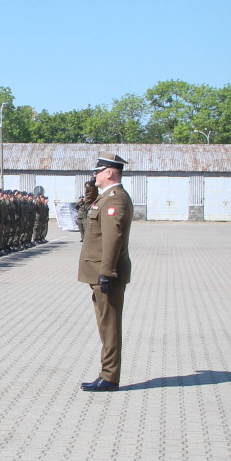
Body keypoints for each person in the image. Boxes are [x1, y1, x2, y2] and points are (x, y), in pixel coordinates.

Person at [78, 152, 133, 392]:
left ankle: (109, 376)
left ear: (109, 172)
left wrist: (107, 272)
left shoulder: (115, 199)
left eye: (98, 171)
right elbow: (90, 208)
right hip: (101, 271)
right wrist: (91, 187)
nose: (94, 174)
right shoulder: (107, 197)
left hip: (106, 273)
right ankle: (107, 372)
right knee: (105, 324)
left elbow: (113, 238)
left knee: (109, 325)